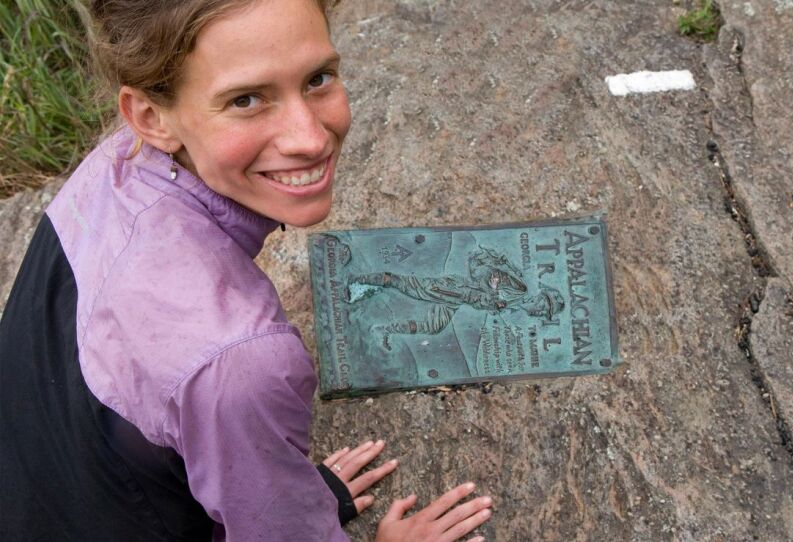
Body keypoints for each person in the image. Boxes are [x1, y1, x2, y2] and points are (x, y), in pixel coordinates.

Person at [0, 0, 493, 540]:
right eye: (246, 99)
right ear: (150, 116)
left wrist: (272, 481)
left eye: (318, 78)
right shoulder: (242, 361)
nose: (309, 137)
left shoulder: (113, 166)